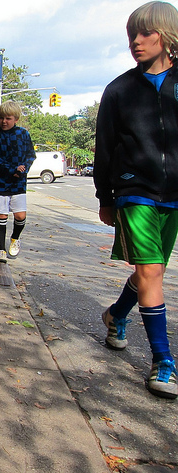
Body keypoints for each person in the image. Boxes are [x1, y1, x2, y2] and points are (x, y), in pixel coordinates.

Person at [94, 1, 178, 399]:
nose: (137, 42)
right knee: (151, 272)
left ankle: (116, 314)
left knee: (153, 271)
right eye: (132, 35)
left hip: (174, 194)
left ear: (167, 35)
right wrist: (105, 197)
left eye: (146, 34)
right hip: (134, 190)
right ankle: (163, 361)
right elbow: (105, 148)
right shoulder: (120, 90)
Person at [0, 100, 36, 263]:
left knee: (20, 215)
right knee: (1, 214)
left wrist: (23, 169)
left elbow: (30, 155)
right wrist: (12, 170)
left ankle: (15, 238)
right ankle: (1, 249)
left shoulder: (23, 134)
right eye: (1, 118)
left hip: (18, 182)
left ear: (16, 119)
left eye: (8, 118)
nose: (4, 121)